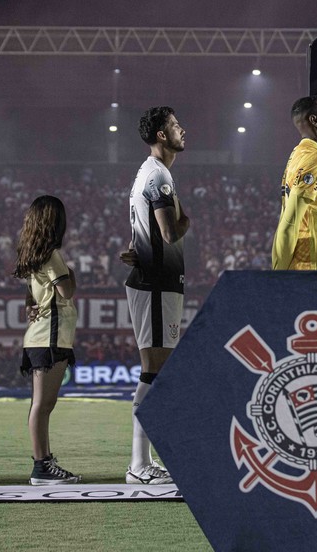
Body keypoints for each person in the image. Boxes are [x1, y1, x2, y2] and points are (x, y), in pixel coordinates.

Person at [121, 106, 189, 485]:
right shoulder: (158, 175)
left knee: (158, 371)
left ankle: (143, 461)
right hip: (156, 282)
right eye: (176, 126)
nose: (183, 131)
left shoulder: (152, 174)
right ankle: (138, 464)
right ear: (161, 135)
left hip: (158, 281)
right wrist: (184, 221)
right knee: (153, 371)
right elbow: (170, 232)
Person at [13, 195, 80, 485]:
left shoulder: (34, 255)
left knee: (43, 404)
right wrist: (72, 274)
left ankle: (45, 462)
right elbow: (66, 291)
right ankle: (42, 465)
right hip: (49, 337)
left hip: (46, 336)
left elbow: (32, 296)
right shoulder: (51, 254)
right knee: (42, 404)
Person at [271, 96, 317, 270]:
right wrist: (276, 277)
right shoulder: (313, 158)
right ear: (314, 120)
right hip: (313, 275)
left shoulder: (298, 155)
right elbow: (289, 223)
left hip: (313, 275)